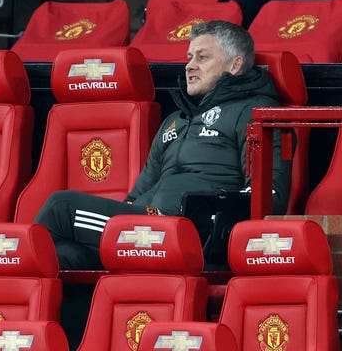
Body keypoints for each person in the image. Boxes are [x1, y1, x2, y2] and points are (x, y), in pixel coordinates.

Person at [33, 19, 292, 348]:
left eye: (202, 57)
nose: (190, 66)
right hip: (148, 229)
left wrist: (208, 222)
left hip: (194, 236)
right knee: (62, 256)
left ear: (235, 64)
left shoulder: (256, 113)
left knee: (61, 208)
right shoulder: (176, 120)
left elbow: (269, 196)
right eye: (188, 57)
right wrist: (132, 212)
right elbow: (139, 194)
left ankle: (15, 323)